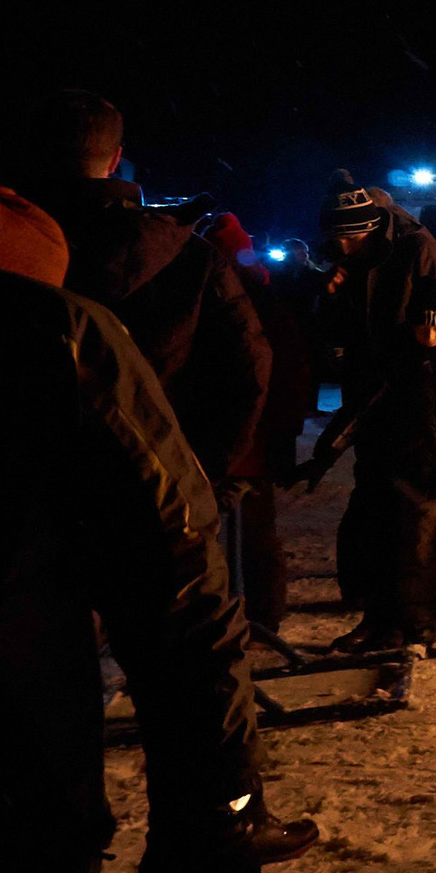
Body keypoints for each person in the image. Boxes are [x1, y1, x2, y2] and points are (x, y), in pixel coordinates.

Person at [0, 166, 316, 873]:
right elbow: (174, 577)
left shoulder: (63, 323)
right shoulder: (53, 331)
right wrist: (218, 804)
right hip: (19, 778)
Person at [17, 91, 272, 494]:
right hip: (148, 481)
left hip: (20, 487)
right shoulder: (186, 254)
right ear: (115, 159)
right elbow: (246, 367)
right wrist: (196, 472)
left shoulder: (5, 244)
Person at [308, 276, 436, 654]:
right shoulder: (396, 357)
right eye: (422, 325)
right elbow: (360, 410)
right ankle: (421, 627)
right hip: (417, 471)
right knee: (418, 553)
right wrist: (326, 452)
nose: (430, 335)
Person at [313, 171, 436, 626]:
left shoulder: (419, 251)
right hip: (370, 391)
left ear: (373, 224)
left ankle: (410, 616)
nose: (342, 250)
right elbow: (346, 330)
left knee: (412, 503)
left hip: (412, 394)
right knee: (373, 491)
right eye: (335, 241)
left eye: (349, 239)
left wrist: (421, 372)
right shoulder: (354, 256)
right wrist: (331, 298)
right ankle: (370, 598)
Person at [195, 211, 315, 640]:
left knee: (237, 535)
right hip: (255, 440)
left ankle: (253, 617)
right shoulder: (267, 298)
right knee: (255, 533)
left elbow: (276, 376)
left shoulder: (225, 303)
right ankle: (261, 615)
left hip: (240, 442)